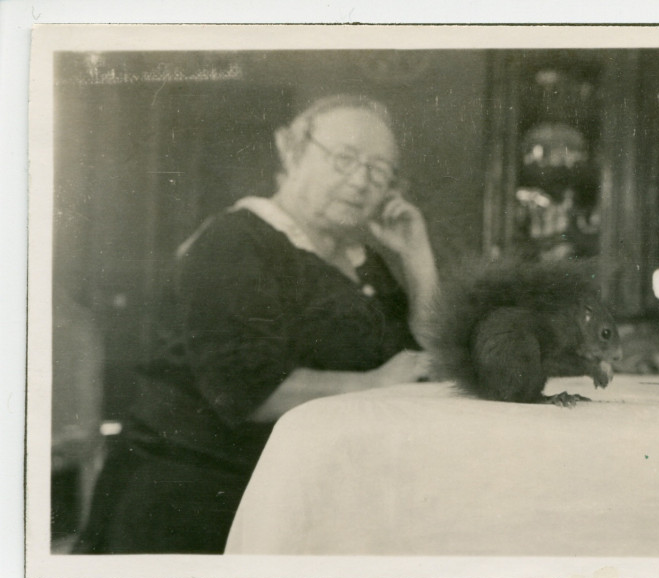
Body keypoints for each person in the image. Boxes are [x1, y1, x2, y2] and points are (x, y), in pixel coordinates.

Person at [74, 95, 439, 554]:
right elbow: (247, 389)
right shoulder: (234, 240)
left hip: (289, 494)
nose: (361, 181)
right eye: (345, 159)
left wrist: (416, 257)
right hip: (193, 500)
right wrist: (375, 382)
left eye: (380, 170)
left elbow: (426, 355)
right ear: (291, 150)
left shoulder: (361, 261)